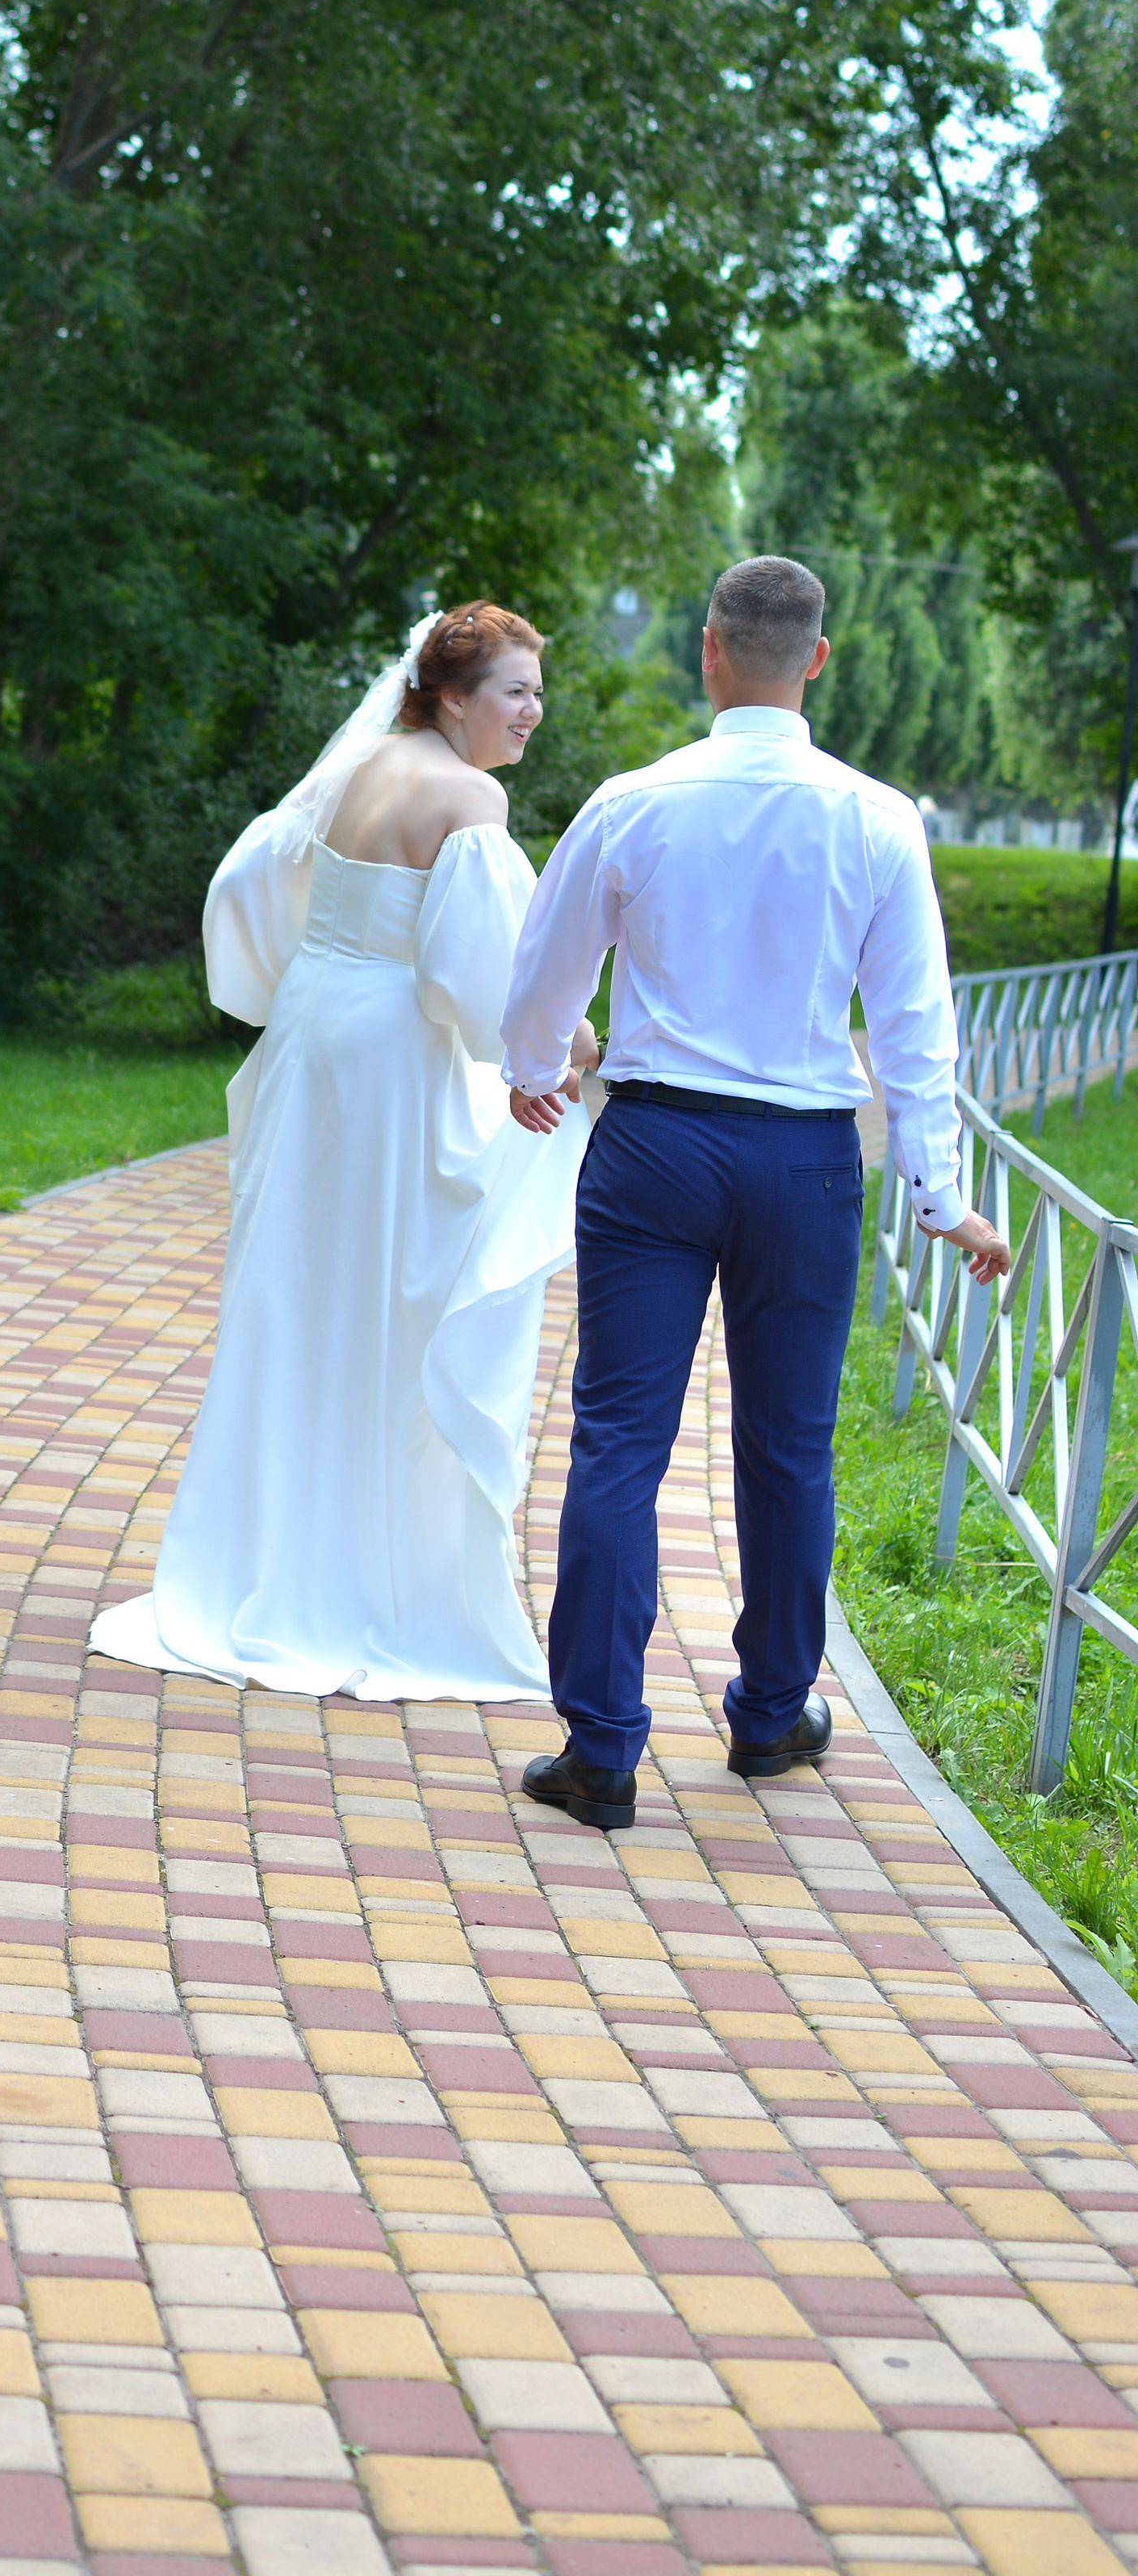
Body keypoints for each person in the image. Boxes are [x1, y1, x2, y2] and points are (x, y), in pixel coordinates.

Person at [500, 555, 1009, 1829]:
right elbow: (914, 1030)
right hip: (805, 1158)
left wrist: (528, 1070)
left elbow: (545, 966)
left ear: (709, 649)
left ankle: (603, 1748)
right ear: (818, 662)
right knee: (789, 1445)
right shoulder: (879, 818)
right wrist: (943, 1198)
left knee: (621, 1439)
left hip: (657, 1147)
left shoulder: (633, 801)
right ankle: (773, 1715)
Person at [89, 604, 596, 1701]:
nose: (531, 712)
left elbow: (260, 879)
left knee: (295, 1295)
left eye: (536, 693)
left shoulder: (364, 763)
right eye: (514, 690)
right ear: (452, 694)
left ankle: (259, 1564)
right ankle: (365, 1577)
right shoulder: (470, 795)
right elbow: (470, 976)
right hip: (383, 1066)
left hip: (312, 1038)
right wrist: (556, 1050)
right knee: (382, 1308)